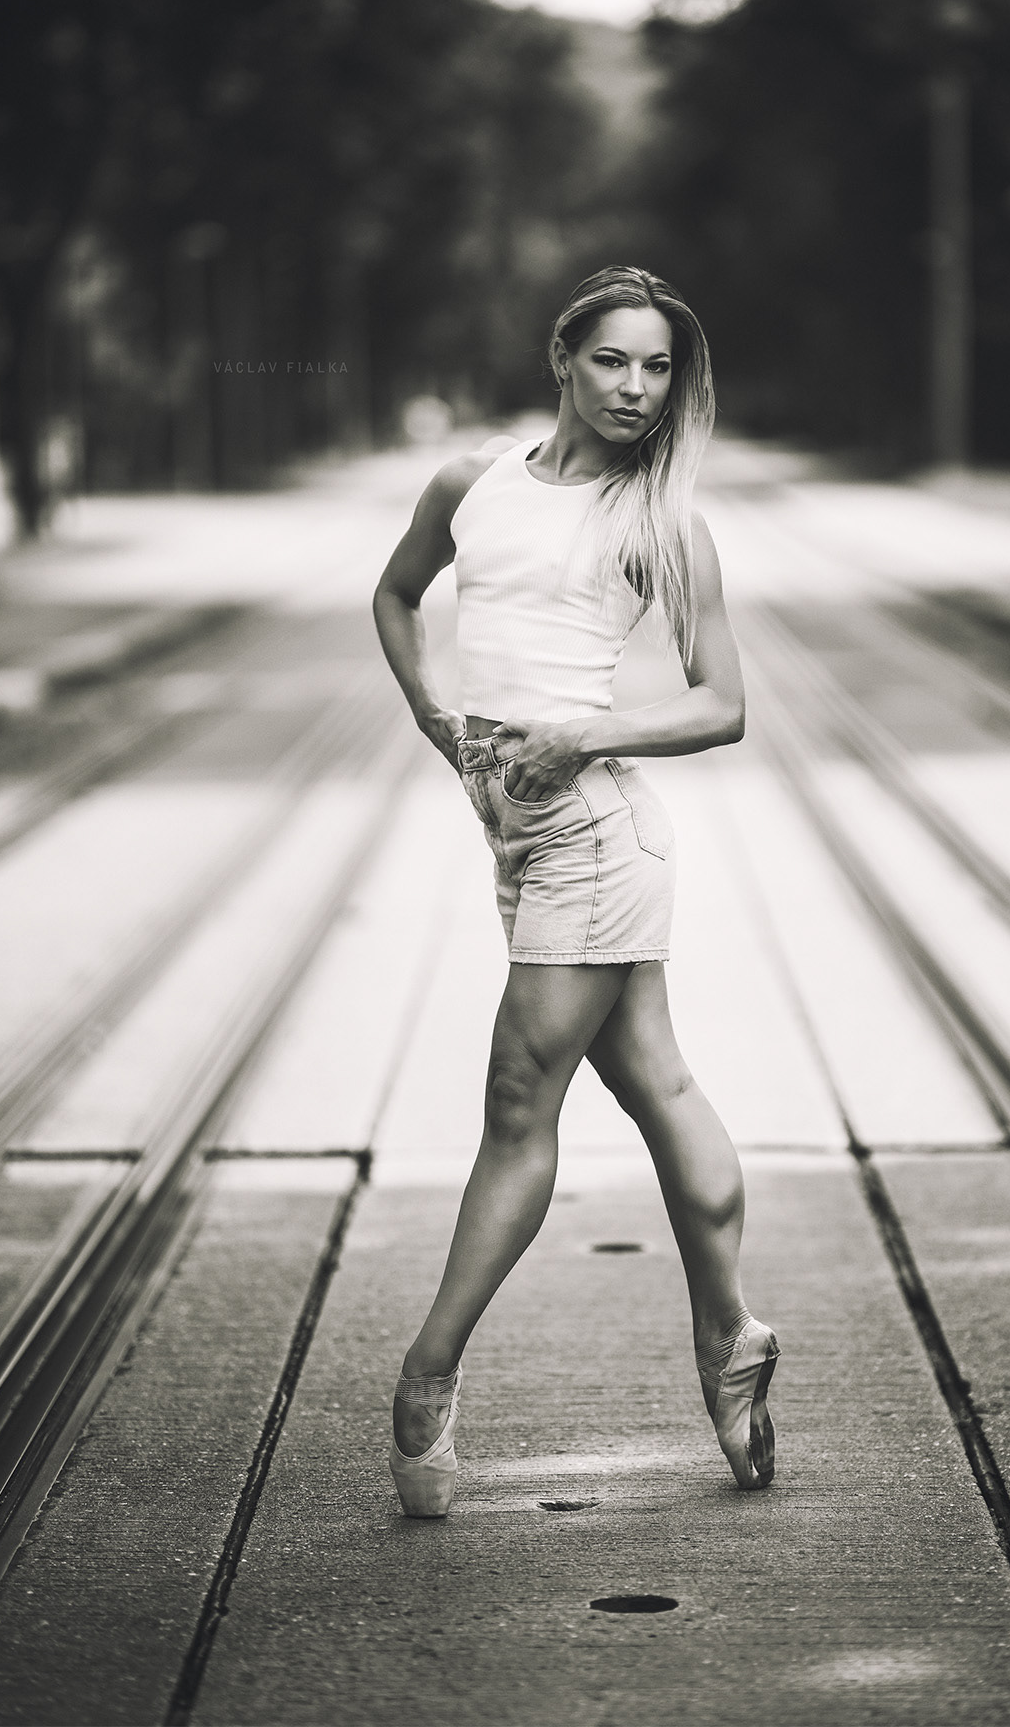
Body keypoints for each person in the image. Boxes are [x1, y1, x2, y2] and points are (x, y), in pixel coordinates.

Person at [373, 266, 779, 1517]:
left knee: (518, 1098)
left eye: (658, 368)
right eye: (613, 360)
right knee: (656, 1082)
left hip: (594, 830)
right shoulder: (474, 483)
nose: (636, 389)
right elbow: (395, 594)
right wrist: (435, 716)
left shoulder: (659, 522)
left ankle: (427, 1376)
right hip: (516, 829)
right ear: (563, 357)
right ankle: (730, 1342)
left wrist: (587, 732)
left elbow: (723, 705)